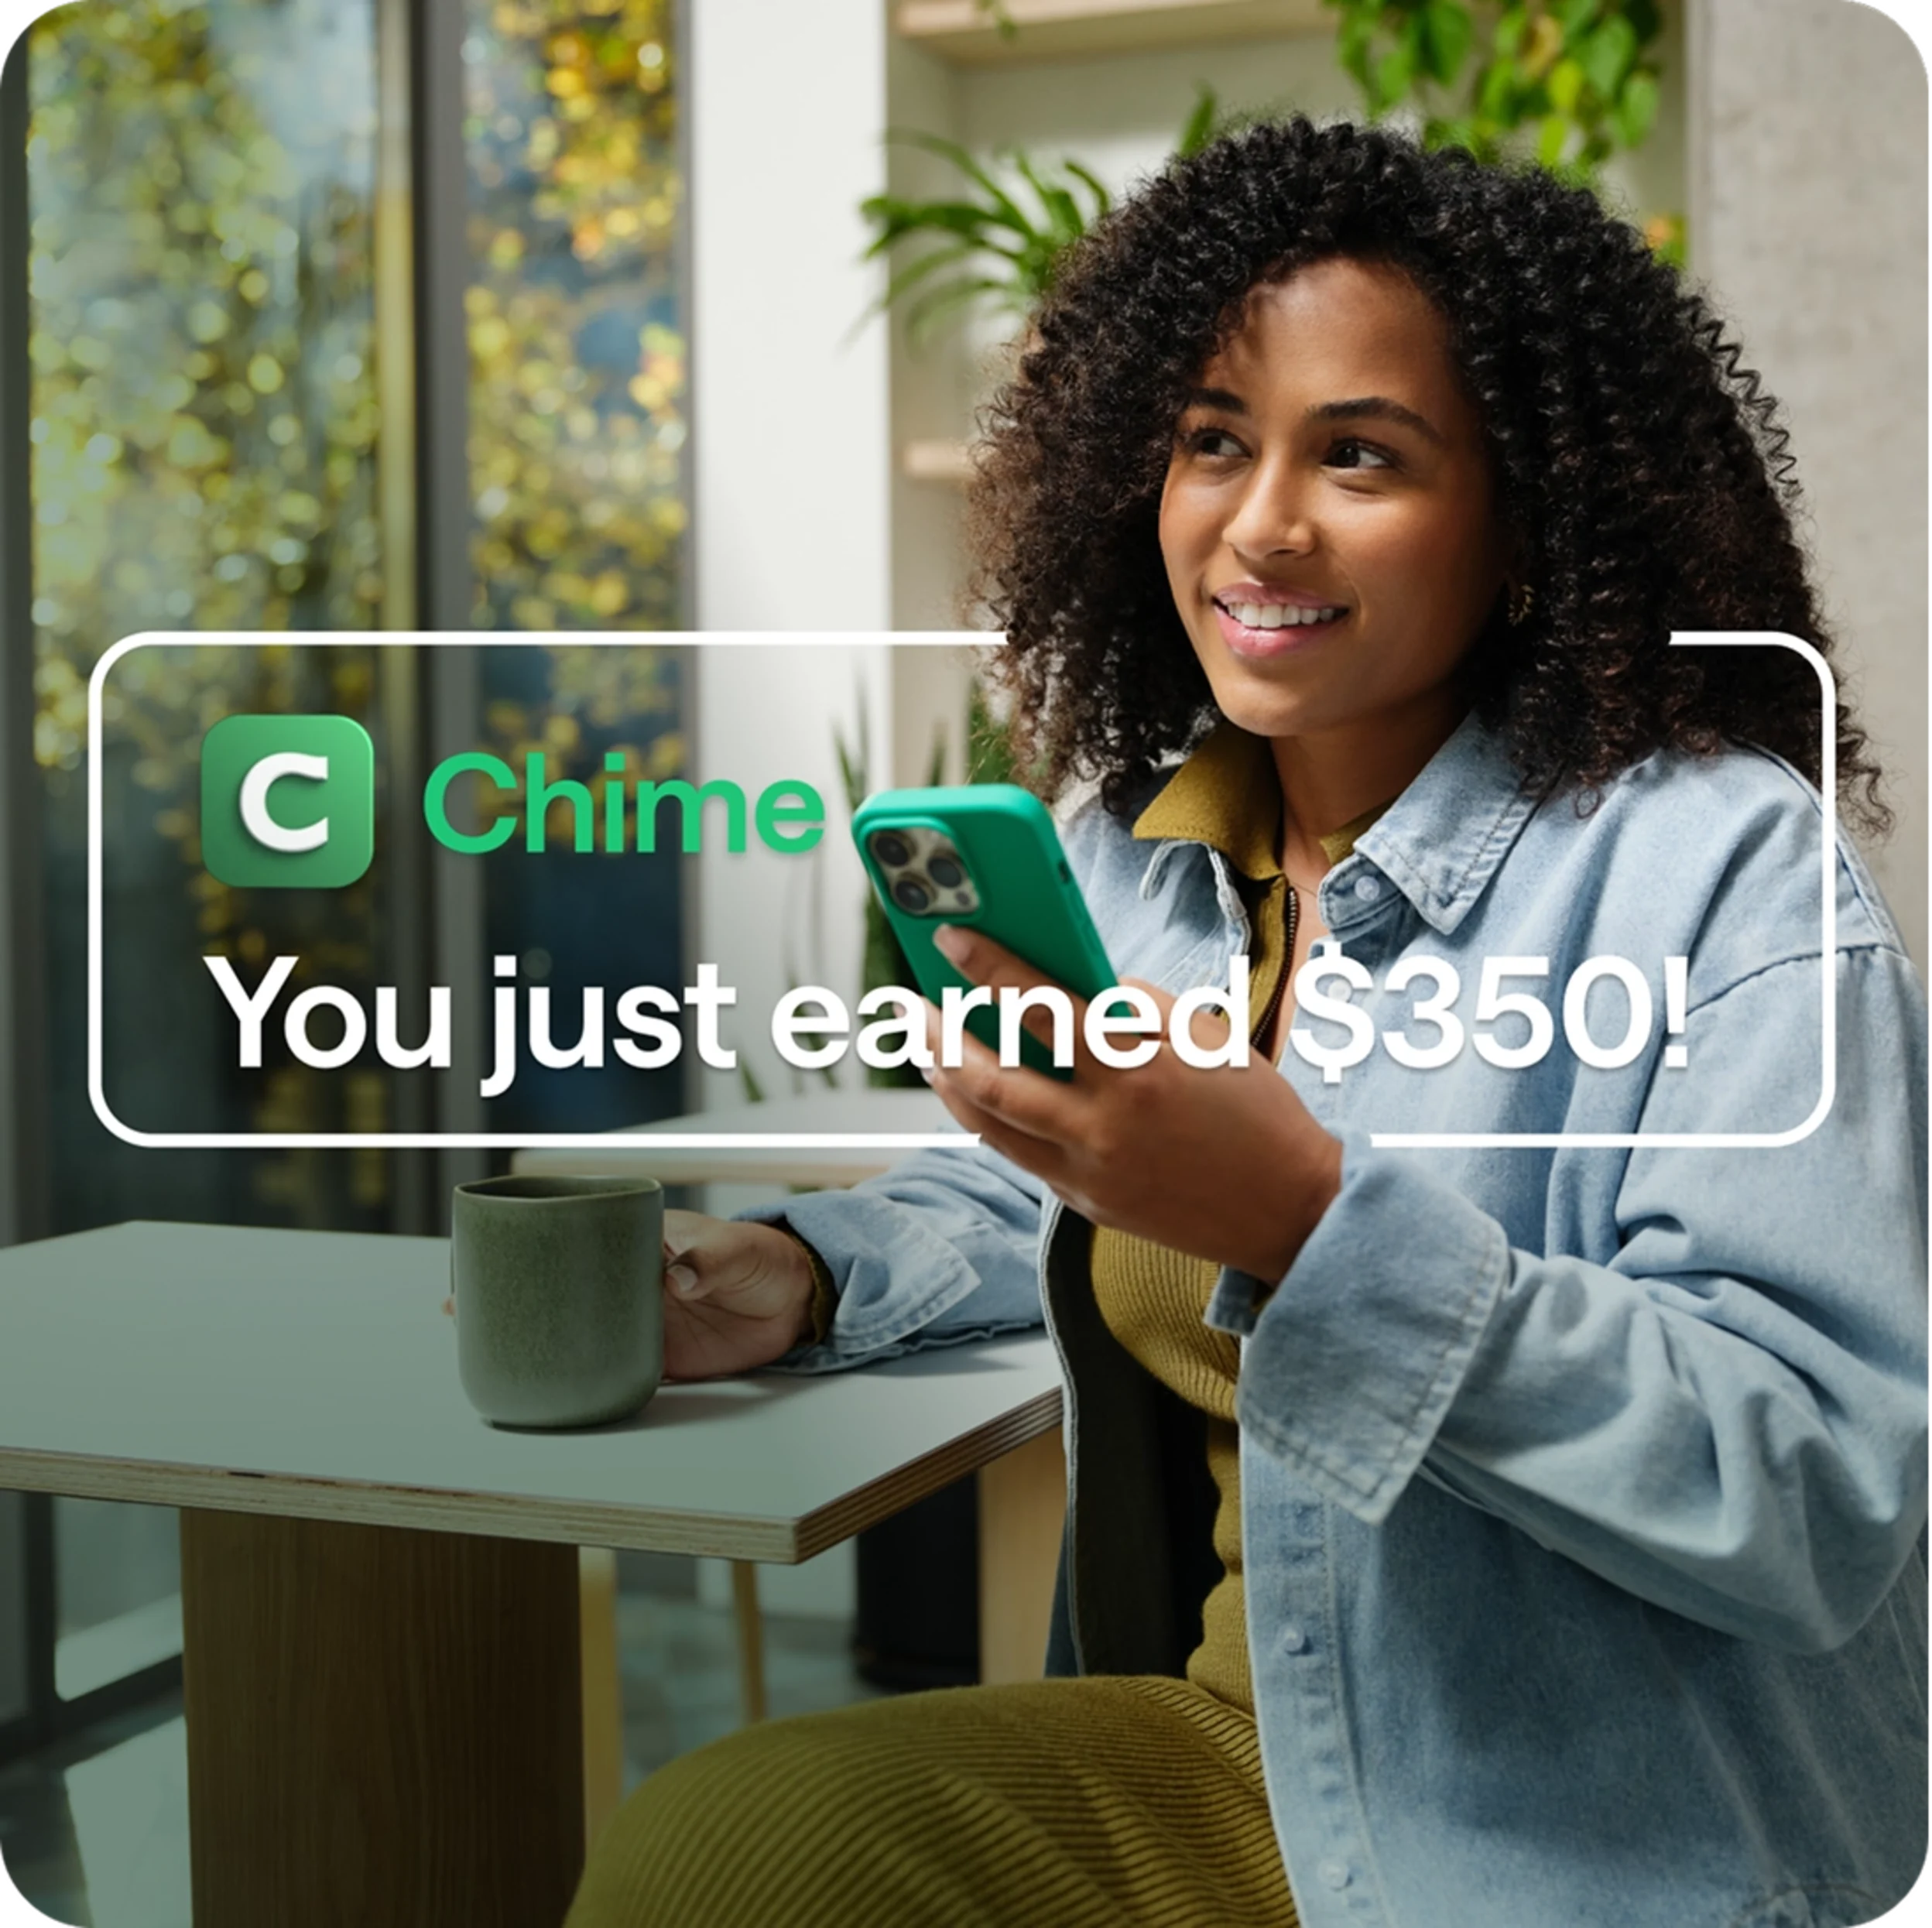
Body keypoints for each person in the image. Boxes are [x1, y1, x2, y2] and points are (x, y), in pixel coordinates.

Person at [567, 117, 1930, 1928]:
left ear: (1523, 522)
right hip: (1244, 1745)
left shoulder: (1724, 875)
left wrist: (1307, 1225)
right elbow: (1061, 1186)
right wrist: (800, 1273)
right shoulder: (1133, 859)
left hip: (1591, 1839)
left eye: (1359, 455)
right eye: (1215, 440)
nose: (1261, 520)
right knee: (717, 1851)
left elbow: (1818, 1483)